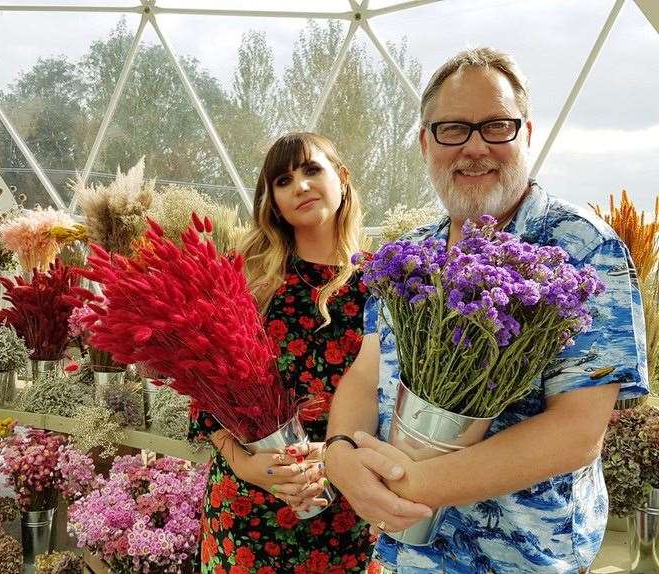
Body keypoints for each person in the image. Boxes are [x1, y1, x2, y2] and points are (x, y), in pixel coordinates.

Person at [324, 47, 649, 573]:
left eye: (496, 126)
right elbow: (367, 374)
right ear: (426, 141)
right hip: (404, 555)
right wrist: (338, 453)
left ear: (527, 133)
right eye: (453, 128)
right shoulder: (411, 256)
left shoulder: (583, 249)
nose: (475, 148)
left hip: (523, 560)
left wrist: (410, 486)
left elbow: (577, 432)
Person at [190, 132, 375, 573]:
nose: (301, 187)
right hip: (248, 506)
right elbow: (201, 383)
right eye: (284, 180)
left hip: (343, 508)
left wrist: (339, 459)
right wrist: (246, 466)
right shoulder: (250, 278)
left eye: (312, 170)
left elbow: (394, 393)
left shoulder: (382, 282)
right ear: (273, 200)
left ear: (343, 178)